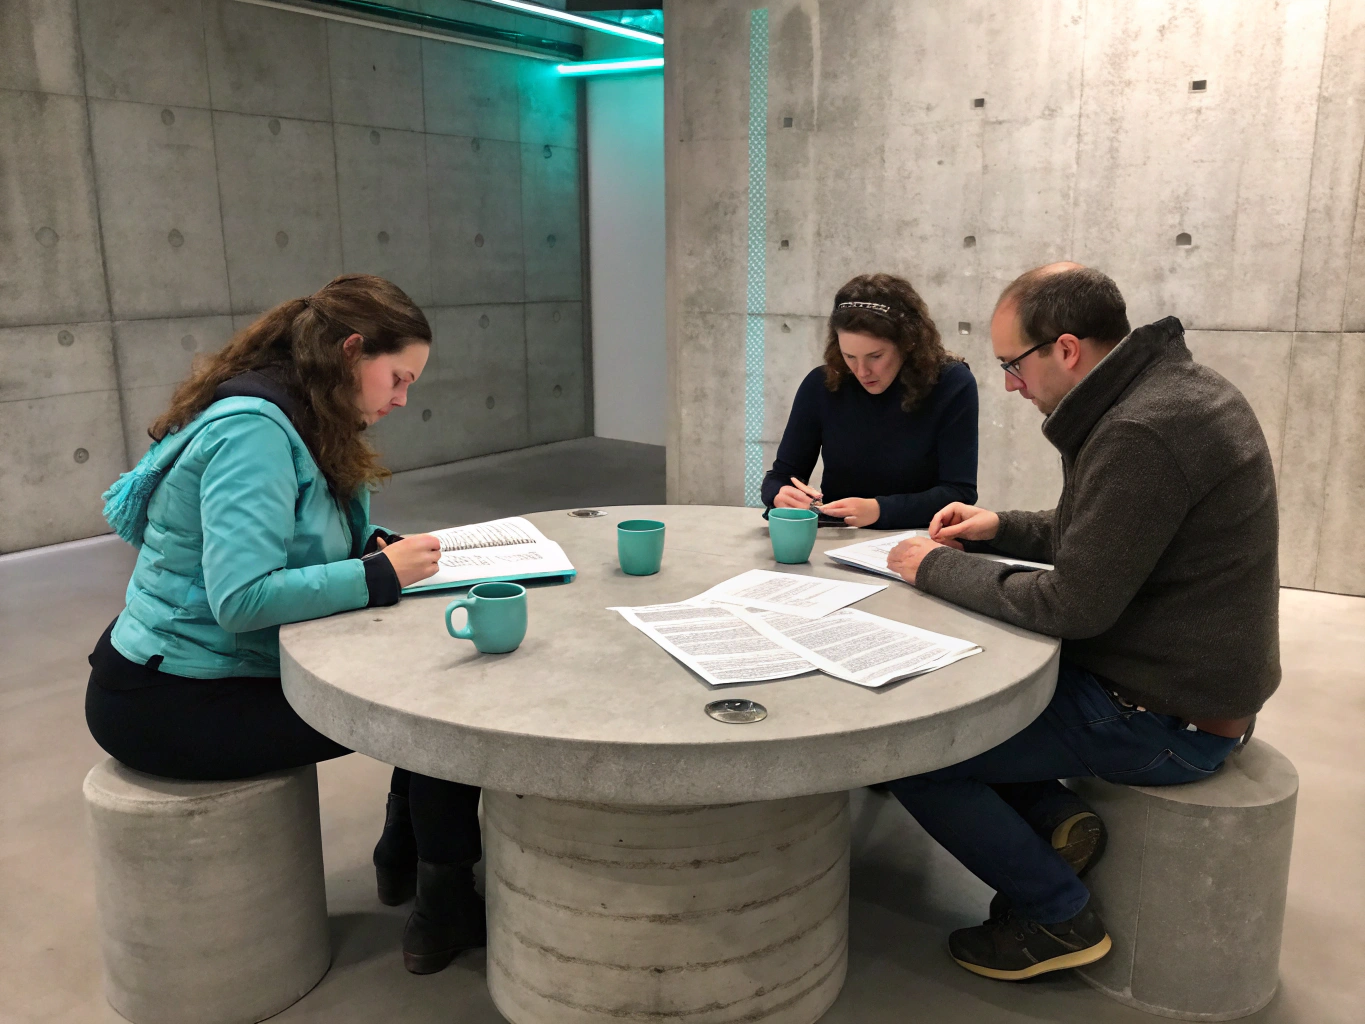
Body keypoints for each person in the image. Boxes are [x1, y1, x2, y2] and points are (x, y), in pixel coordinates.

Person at [881, 264, 1279, 981]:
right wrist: (998, 527)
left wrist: (930, 566)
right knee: (964, 685)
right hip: (1180, 687)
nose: (1010, 385)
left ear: (1065, 349)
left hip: (1164, 718)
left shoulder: (1141, 431)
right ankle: (1053, 820)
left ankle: (1054, 915)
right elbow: (1101, 533)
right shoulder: (1170, 393)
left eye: (1012, 364)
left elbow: (1072, 604)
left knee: (912, 749)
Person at [85, 275, 482, 976]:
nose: (401, 399)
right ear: (351, 350)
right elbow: (241, 598)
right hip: (171, 701)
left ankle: (408, 855)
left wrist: (371, 551)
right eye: (397, 378)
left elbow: (294, 539)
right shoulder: (254, 433)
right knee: (442, 712)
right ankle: (440, 899)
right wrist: (378, 575)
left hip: (205, 674)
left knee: (427, 676)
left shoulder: (298, 414)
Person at [762, 273, 978, 528]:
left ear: (908, 342)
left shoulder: (951, 384)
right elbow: (781, 476)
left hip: (921, 537)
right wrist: (780, 494)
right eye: (849, 356)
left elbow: (959, 493)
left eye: (875, 357)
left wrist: (879, 510)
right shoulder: (822, 384)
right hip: (838, 537)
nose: (861, 371)